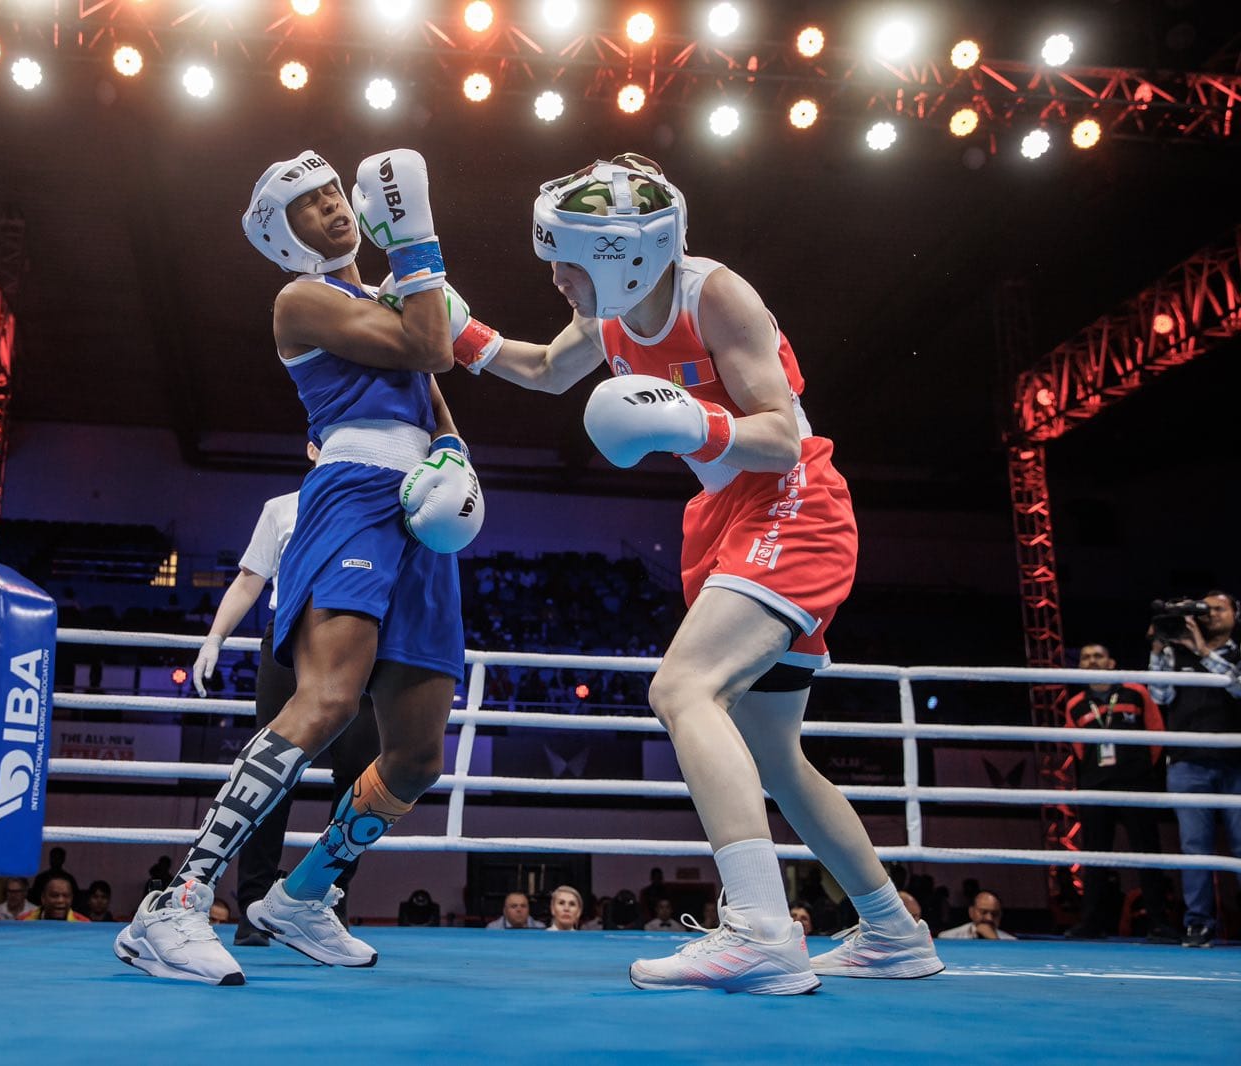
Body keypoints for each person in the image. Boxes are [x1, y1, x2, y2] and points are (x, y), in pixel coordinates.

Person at [470, 154, 941, 992]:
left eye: (568, 260)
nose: (555, 277)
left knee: (683, 690)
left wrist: (692, 422)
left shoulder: (716, 295)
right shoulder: (610, 313)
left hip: (791, 503)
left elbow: (782, 438)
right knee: (774, 756)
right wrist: (455, 331)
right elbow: (543, 368)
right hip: (725, 516)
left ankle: (761, 929)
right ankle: (892, 930)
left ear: (626, 256)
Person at [114, 147, 481, 985]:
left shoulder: (385, 295)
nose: (333, 206)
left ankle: (303, 897)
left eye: (332, 191)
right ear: (283, 236)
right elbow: (431, 349)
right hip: (353, 493)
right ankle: (175, 902)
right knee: (328, 699)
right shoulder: (302, 300)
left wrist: (455, 453)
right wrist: (416, 237)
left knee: (418, 753)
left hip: (421, 507)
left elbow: (434, 395)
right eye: (309, 203)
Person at [191, 444, 382, 949]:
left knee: (359, 783)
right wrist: (214, 637)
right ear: (314, 448)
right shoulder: (281, 508)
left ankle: (323, 903)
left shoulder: (379, 504)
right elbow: (248, 580)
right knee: (272, 776)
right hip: (289, 639)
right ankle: (254, 909)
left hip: (361, 641)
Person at [1148, 591, 1241, 948]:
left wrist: (1202, 650)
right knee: (1194, 847)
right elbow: (1159, 696)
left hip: (1235, 763)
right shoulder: (1176, 652)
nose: (1211, 614)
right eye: (1206, 609)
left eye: (1219, 609)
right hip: (1188, 762)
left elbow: (1237, 687)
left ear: (1235, 614)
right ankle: (1198, 923)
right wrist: (1159, 645)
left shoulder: (1237, 652)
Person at [1063, 643, 1166, 939]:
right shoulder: (1075, 704)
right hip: (1096, 785)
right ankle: (1091, 923)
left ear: (1111, 663)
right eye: (1085, 657)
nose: (1092, 661)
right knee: (1095, 855)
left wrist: (1138, 769)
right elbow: (1079, 749)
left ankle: (1159, 922)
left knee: (1148, 853)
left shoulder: (1136, 691)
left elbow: (1156, 735)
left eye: (1098, 656)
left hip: (1136, 783)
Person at [938, 890, 1017, 940]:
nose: (989, 918)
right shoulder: (948, 937)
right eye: (983, 912)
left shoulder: (1011, 941)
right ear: (971, 912)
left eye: (995, 914)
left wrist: (994, 940)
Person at [23, 873, 90, 922]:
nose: (60, 900)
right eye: (54, 895)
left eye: (66, 896)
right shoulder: (23, 921)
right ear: (43, 898)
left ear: (71, 898)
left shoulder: (83, 924)